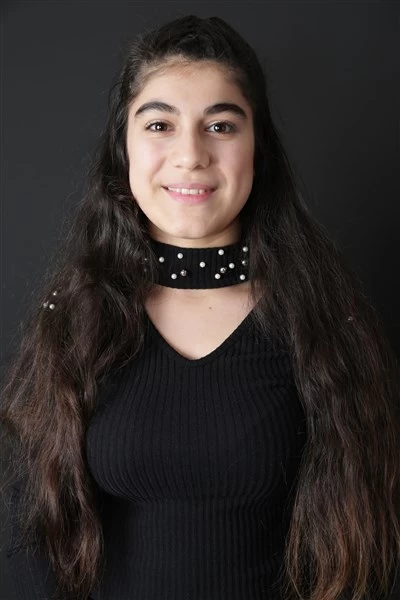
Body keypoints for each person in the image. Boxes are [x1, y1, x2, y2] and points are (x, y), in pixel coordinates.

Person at [1, 14, 399, 600]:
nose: (190, 154)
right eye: (159, 124)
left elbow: (364, 548)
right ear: (124, 147)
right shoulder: (73, 321)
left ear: (258, 148)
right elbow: (35, 542)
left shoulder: (323, 321)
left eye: (220, 125)